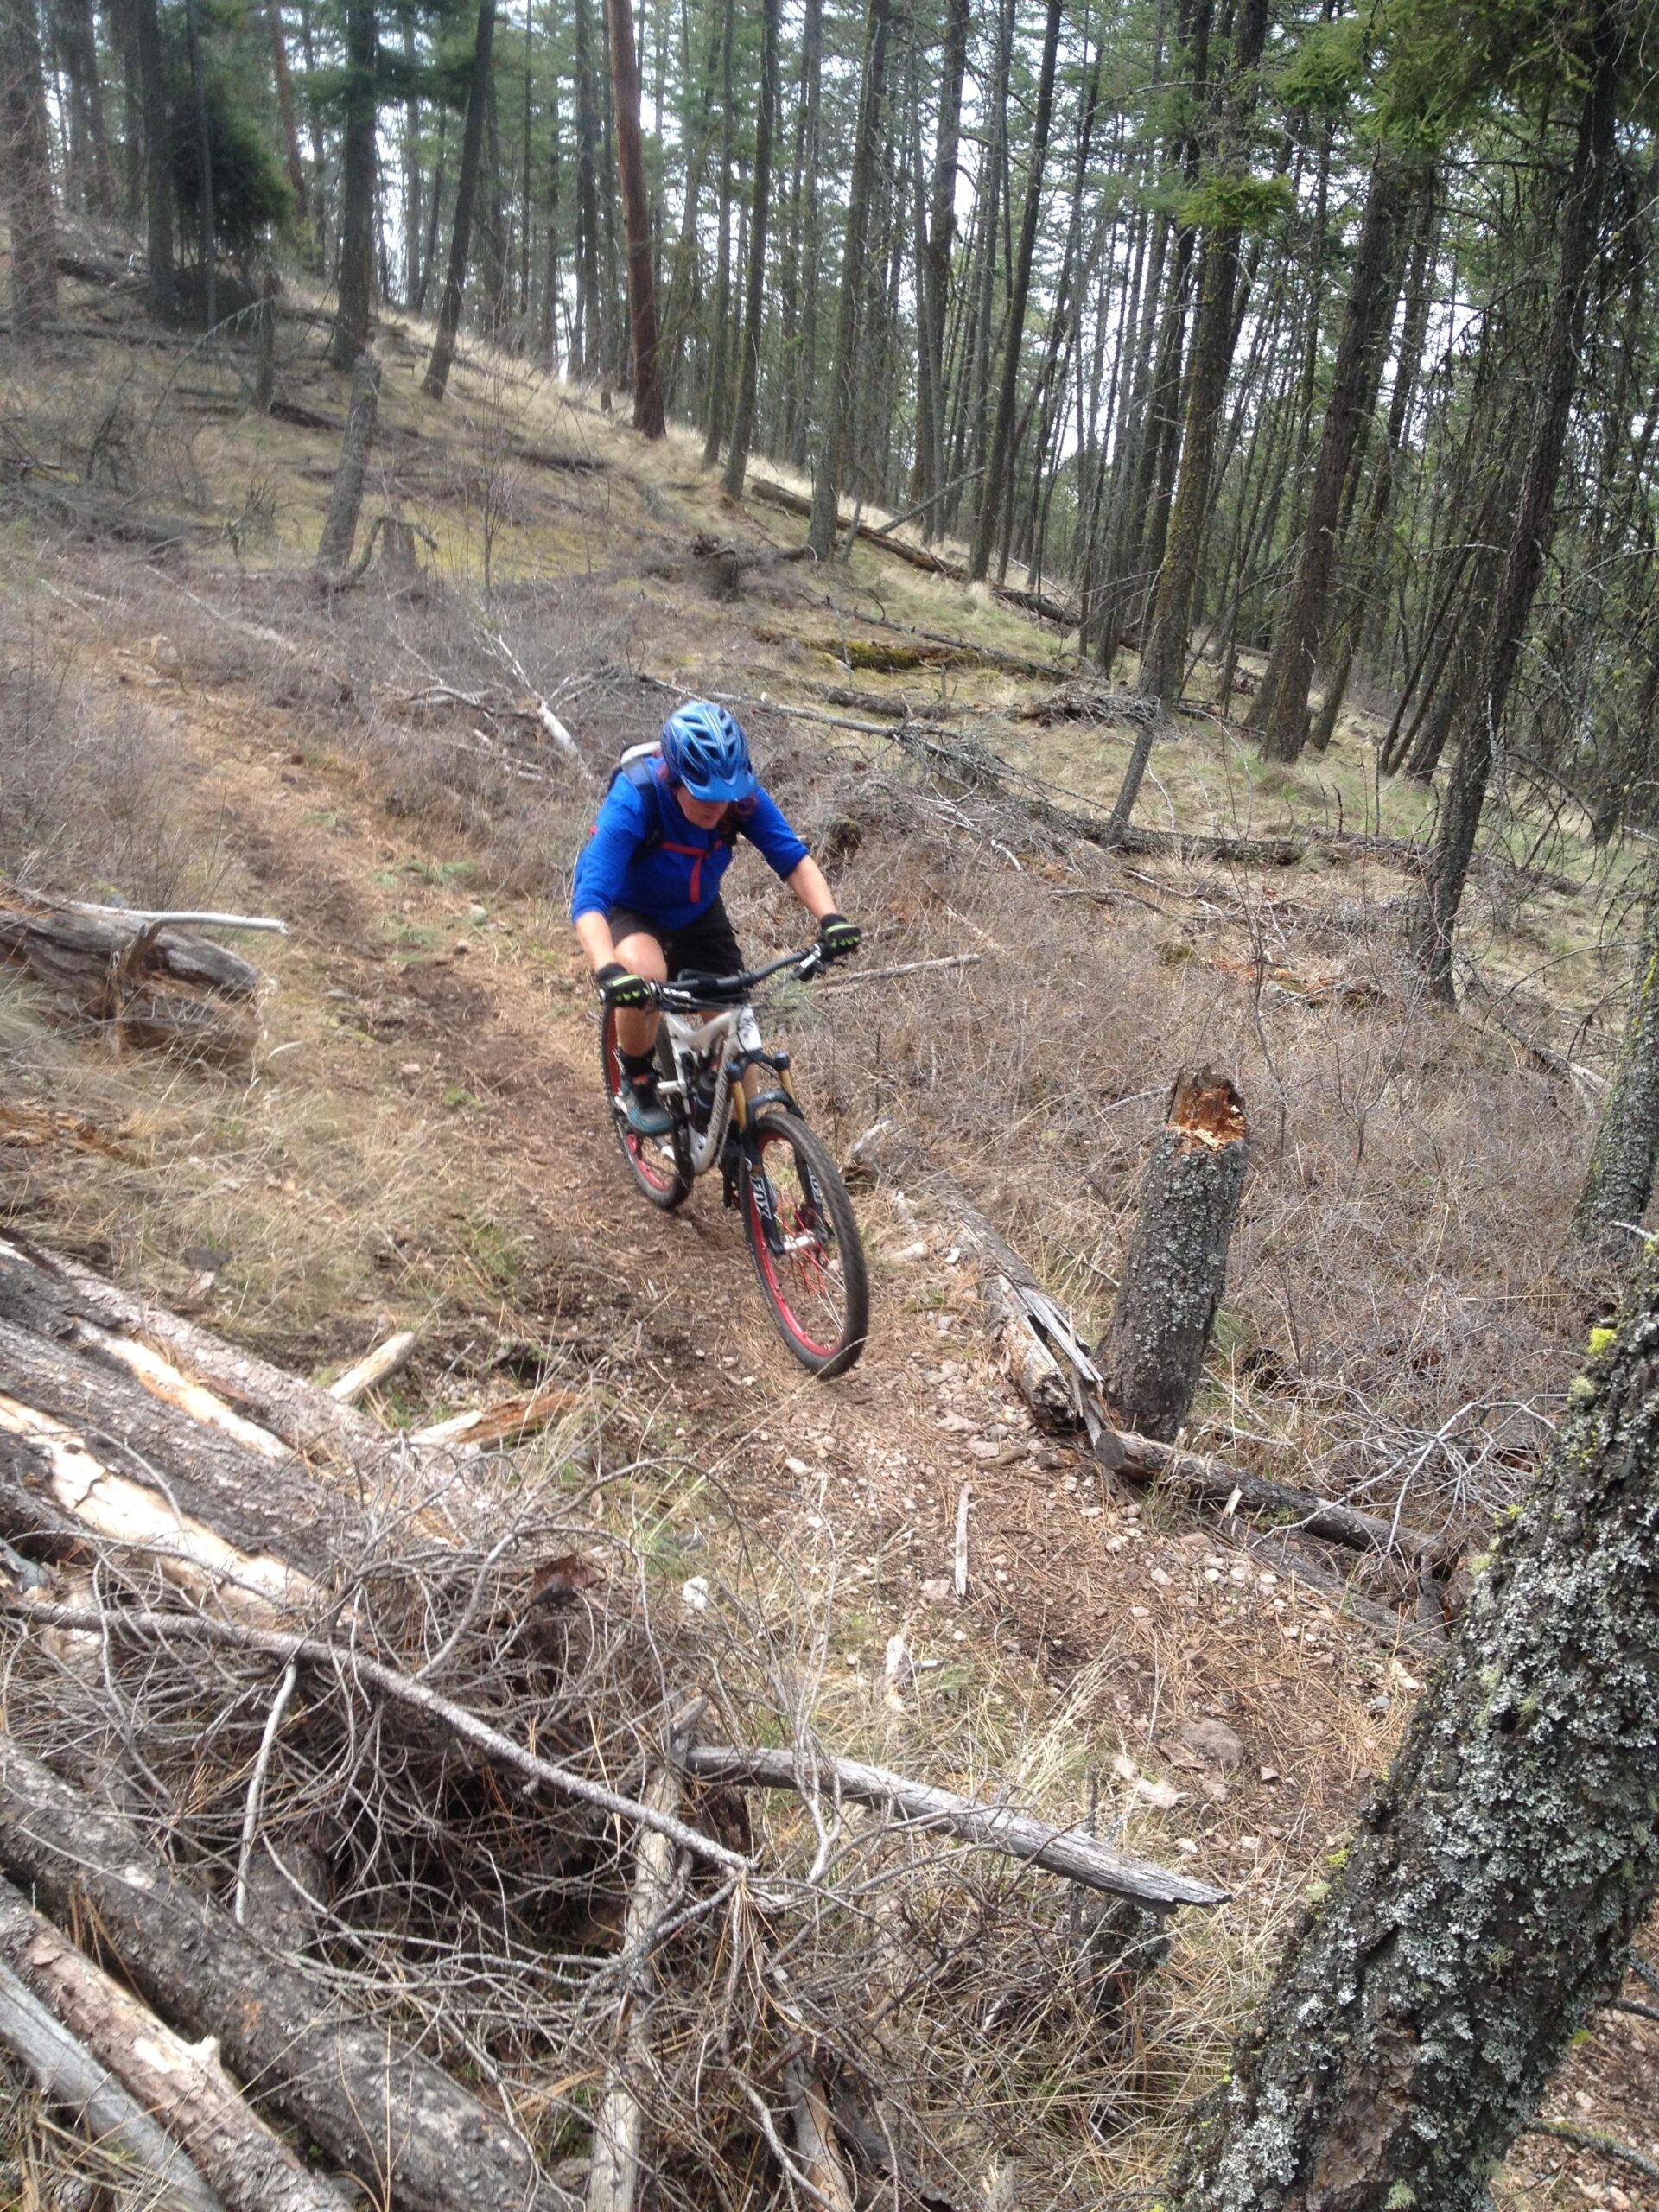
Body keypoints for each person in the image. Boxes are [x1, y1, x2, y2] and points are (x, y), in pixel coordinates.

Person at [571, 701, 861, 1135]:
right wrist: (608, 969)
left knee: (743, 1049)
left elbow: (793, 860)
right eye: (704, 795)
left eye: (725, 795)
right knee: (646, 972)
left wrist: (831, 919)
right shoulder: (636, 797)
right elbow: (590, 898)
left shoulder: (739, 800)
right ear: (675, 777)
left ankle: (739, 1150)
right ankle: (638, 1077)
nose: (717, 808)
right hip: (630, 906)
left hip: (696, 911)